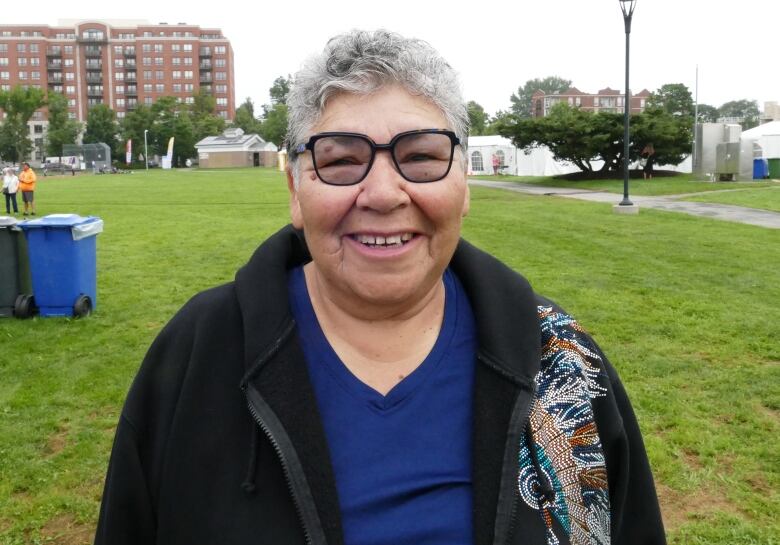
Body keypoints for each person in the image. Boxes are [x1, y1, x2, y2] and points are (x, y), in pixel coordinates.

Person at [95, 30, 665, 545]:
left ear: (464, 184)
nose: (385, 193)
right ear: (294, 190)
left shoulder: (561, 362)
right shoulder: (198, 351)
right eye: (341, 161)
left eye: (421, 157)